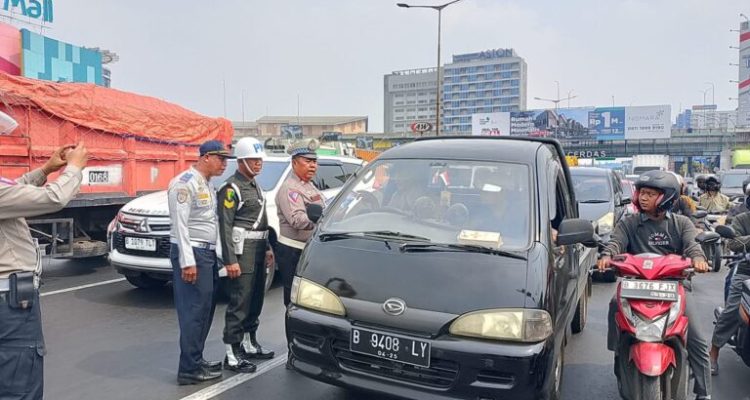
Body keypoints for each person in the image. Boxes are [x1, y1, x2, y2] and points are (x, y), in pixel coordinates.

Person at [597, 170, 712, 400]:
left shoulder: (681, 223)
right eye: (642, 192)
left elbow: (692, 246)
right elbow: (615, 243)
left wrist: (698, 259)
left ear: (666, 197)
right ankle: (619, 351)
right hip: (635, 286)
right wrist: (607, 256)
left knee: (697, 338)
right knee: (613, 305)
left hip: (673, 287)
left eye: (651, 194)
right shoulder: (630, 223)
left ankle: (703, 392)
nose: (643, 198)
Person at [0, 140, 87, 400]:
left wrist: (45, 170)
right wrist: (74, 168)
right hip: (9, 304)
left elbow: (12, 192)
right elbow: (54, 198)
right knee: (20, 384)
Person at [168, 140, 233, 385]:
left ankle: (196, 359)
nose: (224, 164)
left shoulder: (207, 183)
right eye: (220, 158)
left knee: (204, 310)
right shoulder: (184, 184)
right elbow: (180, 226)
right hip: (192, 254)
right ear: (206, 157)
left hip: (205, 255)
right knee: (194, 312)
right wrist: (187, 262)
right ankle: (188, 369)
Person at [217, 138, 275, 374]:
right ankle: (231, 353)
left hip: (259, 249)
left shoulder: (254, 186)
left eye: (259, 159)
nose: (258, 164)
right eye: (253, 159)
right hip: (243, 252)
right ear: (241, 161)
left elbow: (261, 222)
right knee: (240, 301)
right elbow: (225, 227)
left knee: (255, 299)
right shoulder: (231, 188)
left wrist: (269, 247)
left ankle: (249, 343)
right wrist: (230, 260)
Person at [275, 139, 324, 306]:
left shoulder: (310, 186)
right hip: (292, 250)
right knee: (294, 299)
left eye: (315, 161)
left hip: (307, 248)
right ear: (294, 163)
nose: (313, 166)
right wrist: (321, 219)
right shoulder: (290, 188)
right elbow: (296, 219)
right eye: (308, 161)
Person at [709, 202, 750, 376]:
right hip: (746, 273)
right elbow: (733, 244)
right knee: (733, 310)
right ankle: (713, 353)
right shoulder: (742, 219)